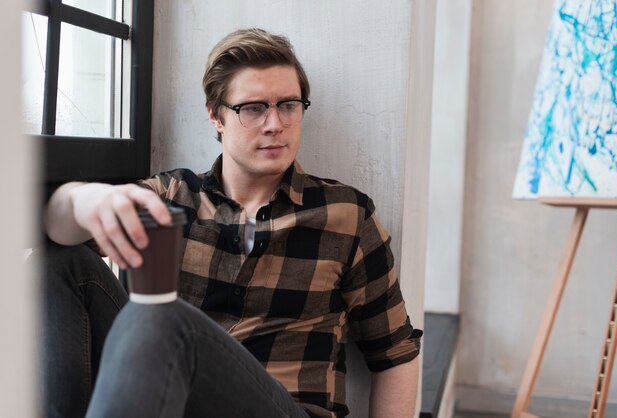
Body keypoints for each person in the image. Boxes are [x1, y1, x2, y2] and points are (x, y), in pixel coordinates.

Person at [39, 28, 422, 418]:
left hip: (285, 409)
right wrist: (84, 198)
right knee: (60, 263)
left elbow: (395, 353)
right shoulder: (171, 198)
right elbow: (55, 229)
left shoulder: (346, 215)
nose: (275, 124)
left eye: (288, 105)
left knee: (164, 319)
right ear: (216, 115)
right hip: (166, 401)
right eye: (253, 108)